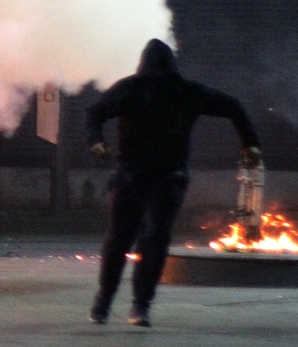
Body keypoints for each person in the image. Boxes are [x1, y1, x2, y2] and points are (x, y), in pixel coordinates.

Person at [85, 38, 261, 327]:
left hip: (140, 173)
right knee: (151, 237)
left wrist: (96, 141)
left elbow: (94, 113)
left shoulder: (133, 88)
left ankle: (107, 303)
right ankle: (135, 306)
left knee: (124, 237)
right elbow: (233, 106)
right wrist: (250, 144)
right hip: (163, 175)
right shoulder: (185, 91)